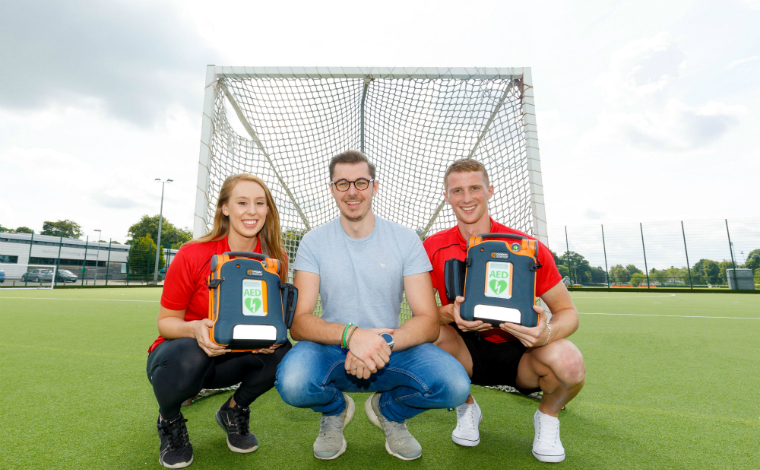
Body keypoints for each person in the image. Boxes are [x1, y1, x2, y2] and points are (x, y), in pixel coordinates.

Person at [275, 150, 470, 461]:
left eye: (361, 183)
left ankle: (389, 410)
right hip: (332, 347)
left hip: (392, 347)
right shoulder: (314, 241)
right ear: (332, 189)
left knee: (455, 385)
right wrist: (352, 336)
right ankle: (335, 409)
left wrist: (380, 342)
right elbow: (299, 322)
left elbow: (428, 321)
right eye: (342, 183)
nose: (352, 192)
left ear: (374, 187)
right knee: (293, 381)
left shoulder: (405, 239)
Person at [423, 159, 586, 463]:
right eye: (457, 190)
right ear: (447, 196)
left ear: (490, 191)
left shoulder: (528, 247)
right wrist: (448, 314)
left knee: (570, 362)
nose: (467, 197)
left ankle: (548, 418)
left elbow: (567, 311)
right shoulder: (433, 246)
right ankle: (466, 405)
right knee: (424, 337)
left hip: (523, 351)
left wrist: (545, 333)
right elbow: (421, 314)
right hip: (464, 352)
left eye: (475, 188)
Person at [146, 174, 292, 469]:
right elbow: (166, 322)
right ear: (225, 208)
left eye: (259, 203)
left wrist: (269, 340)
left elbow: (271, 318)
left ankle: (234, 410)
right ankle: (170, 420)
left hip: (234, 360)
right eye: (242, 202)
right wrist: (194, 329)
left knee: (283, 353)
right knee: (191, 354)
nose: (251, 211)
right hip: (181, 359)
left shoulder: (275, 260)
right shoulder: (192, 254)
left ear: (267, 210)